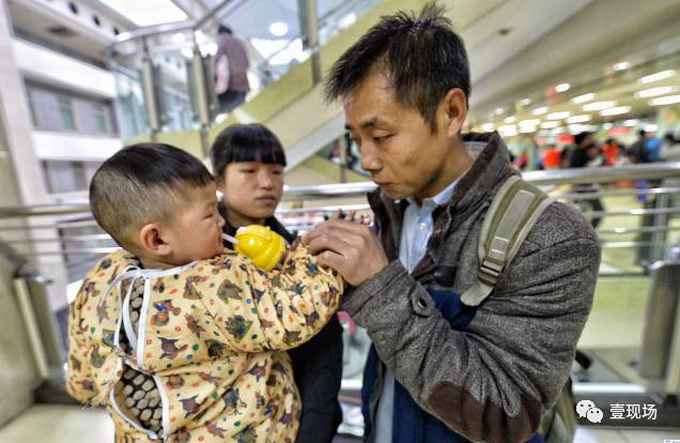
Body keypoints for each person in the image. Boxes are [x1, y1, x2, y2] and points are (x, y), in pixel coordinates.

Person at [304, 5, 601, 443]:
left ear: (451, 112)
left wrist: (380, 284)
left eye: (381, 136)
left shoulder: (552, 239)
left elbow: (506, 412)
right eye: (355, 139)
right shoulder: (393, 209)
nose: (366, 160)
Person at [66, 143, 343, 442]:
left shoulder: (100, 279)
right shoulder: (215, 283)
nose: (222, 221)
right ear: (157, 239)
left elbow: (82, 380)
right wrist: (309, 256)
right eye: (210, 214)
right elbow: (297, 311)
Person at [210, 123, 344, 443]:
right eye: (249, 171)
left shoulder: (297, 256)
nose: (267, 183)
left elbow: (323, 355)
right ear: (218, 180)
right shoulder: (196, 256)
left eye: (276, 171)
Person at [212, 25, 250, 114]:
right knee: (240, 110)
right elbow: (247, 64)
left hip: (230, 84)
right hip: (243, 84)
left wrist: (214, 78)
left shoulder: (222, 40)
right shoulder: (239, 42)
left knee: (224, 111)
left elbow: (216, 61)